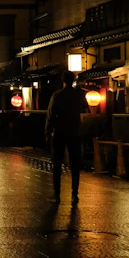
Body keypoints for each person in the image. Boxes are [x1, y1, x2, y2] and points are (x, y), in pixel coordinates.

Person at [45, 70, 86, 203]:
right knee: (75, 164)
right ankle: (75, 193)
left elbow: (50, 115)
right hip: (75, 131)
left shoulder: (57, 95)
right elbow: (85, 107)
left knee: (57, 163)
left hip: (60, 131)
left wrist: (47, 131)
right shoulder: (79, 95)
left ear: (63, 80)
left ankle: (57, 194)